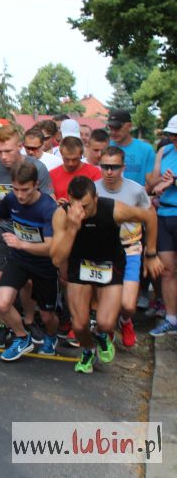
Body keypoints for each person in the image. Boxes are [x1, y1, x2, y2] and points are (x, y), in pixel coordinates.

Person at [51, 176, 162, 373]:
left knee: (106, 322)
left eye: (86, 206)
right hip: (80, 265)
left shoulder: (115, 209)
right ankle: (88, 348)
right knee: (78, 325)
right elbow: (57, 260)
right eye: (76, 206)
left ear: (96, 198)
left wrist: (151, 253)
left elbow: (149, 216)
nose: (81, 213)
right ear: (68, 199)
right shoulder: (62, 215)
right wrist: (73, 228)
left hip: (110, 264)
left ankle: (102, 335)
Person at [0, 162, 60, 360]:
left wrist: (22, 243)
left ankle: (51, 336)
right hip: (20, 260)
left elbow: (51, 247)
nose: (20, 195)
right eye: (16, 189)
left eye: (25, 190)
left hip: (43, 265)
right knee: (2, 302)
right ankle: (21, 337)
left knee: (47, 317)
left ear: (36, 185)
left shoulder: (49, 208)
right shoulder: (11, 199)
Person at [0, 124, 53, 348]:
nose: (3, 157)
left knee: (28, 281)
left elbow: (48, 201)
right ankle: (5, 325)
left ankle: (29, 321)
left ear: (19, 147)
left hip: (30, 228)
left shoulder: (37, 168)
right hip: (1, 225)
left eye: (8, 151)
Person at [95, 146, 151, 347]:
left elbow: (150, 219)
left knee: (128, 305)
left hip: (130, 250)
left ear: (123, 167)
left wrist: (150, 254)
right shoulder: (93, 189)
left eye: (115, 167)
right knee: (104, 302)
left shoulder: (136, 190)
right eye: (105, 167)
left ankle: (125, 321)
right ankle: (107, 330)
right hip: (103, 252)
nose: (109, 172)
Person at [149, 115, 177, 337]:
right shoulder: (165, 152)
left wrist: (174, 181)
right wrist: (160, 183)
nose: (174, 139)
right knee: (167, 270)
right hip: (165, 213)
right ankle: (171, 318)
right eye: (171, 135)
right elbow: (153, 182)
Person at [107, 109, 154, 187]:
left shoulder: (146, 149)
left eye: (117, 128)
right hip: (109, 197)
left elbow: (150, 181)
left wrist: (137, 197)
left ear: (129, 126)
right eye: (111, 128)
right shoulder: (105, 147)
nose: (113, 132)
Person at [49, 136, 101, 203]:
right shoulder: (51, 175)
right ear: (61, 154)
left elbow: (98, 198)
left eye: (75, 159)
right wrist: (55, 203)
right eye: (67, 159)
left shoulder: (94, 173)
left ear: (81, 155)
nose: (71, 163)